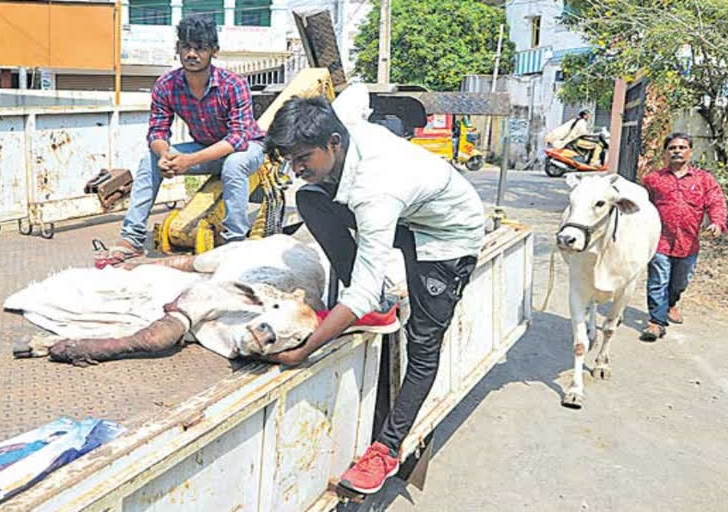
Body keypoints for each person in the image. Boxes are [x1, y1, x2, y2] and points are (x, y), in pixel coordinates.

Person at [262, 85, 485, 495]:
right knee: (309, 197)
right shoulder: (339, 121)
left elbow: (363, 283)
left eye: (303, 159)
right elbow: (358, 90)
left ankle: (386, 449)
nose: (295, 168)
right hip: (411, 213)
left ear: (333, 143)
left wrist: (304, 350)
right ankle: (378, 306)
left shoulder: (376, 191)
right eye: (290, 160)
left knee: (422, 342)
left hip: (448, 234)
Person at [96, 14, 265, 266]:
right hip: (205, 149)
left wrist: (189, 160)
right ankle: (130, 239)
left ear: (214, 52)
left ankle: (234, 243)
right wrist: (165, 155)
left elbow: (238, 138)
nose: (192, 54)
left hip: (246, 149)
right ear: (178, 49)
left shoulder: (234, 84)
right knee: (149, 160)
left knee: (234, 164)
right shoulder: (166, 84)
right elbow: (157, 131)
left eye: (200, 48)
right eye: (186, 47)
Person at [640, 133, 728, 341]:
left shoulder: (704, 180)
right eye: (672, 148)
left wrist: (717, 222)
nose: (677, 151)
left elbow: (716, 202)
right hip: (659, 240)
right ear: (665, 153)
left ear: (690, 151)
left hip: (688, 243)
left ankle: (670, 304)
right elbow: (642, 205)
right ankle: (656, 322)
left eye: (681, 147)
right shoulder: (653, 180)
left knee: (680, 282)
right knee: (658, 280)